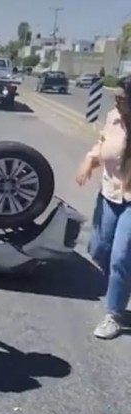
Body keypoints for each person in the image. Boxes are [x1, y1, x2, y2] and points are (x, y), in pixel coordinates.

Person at [76, 76, 131, 340]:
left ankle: (114, 314)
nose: (117, 102)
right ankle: (122, 284)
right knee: (98, 249)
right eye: (115, 97)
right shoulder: (113, 118)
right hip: (109, 194)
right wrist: (89, 161)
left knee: (121, 256)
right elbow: (102, 143)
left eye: (122, 98)